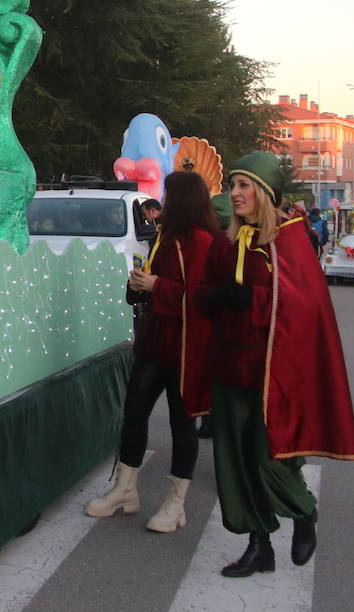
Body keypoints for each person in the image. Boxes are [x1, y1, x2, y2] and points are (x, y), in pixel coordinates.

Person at [199, 152, 354, 577]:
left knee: (269, 457)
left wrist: (249, 299)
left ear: (265, 193)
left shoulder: (287, 241)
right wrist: (208, 297)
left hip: (272, 372)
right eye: (232, 185)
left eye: (244, 185)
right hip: (229, 367)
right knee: (235, 462)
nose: (234, 193)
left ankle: (304, 511)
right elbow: (206, 289)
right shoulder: (229, 240)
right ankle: (259, 545)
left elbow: (304, 307)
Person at [84, 171, 217, 532]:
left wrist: (157, 285)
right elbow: (158, 285)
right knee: (134, 413)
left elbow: (206, 299)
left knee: (182, 424)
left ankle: (176, 504)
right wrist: (140, 285)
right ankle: (125, 491)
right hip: (154, 340)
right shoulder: (166, 236)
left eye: (169, 196)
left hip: (186, 347)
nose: (163, 202)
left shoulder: (204, 241)